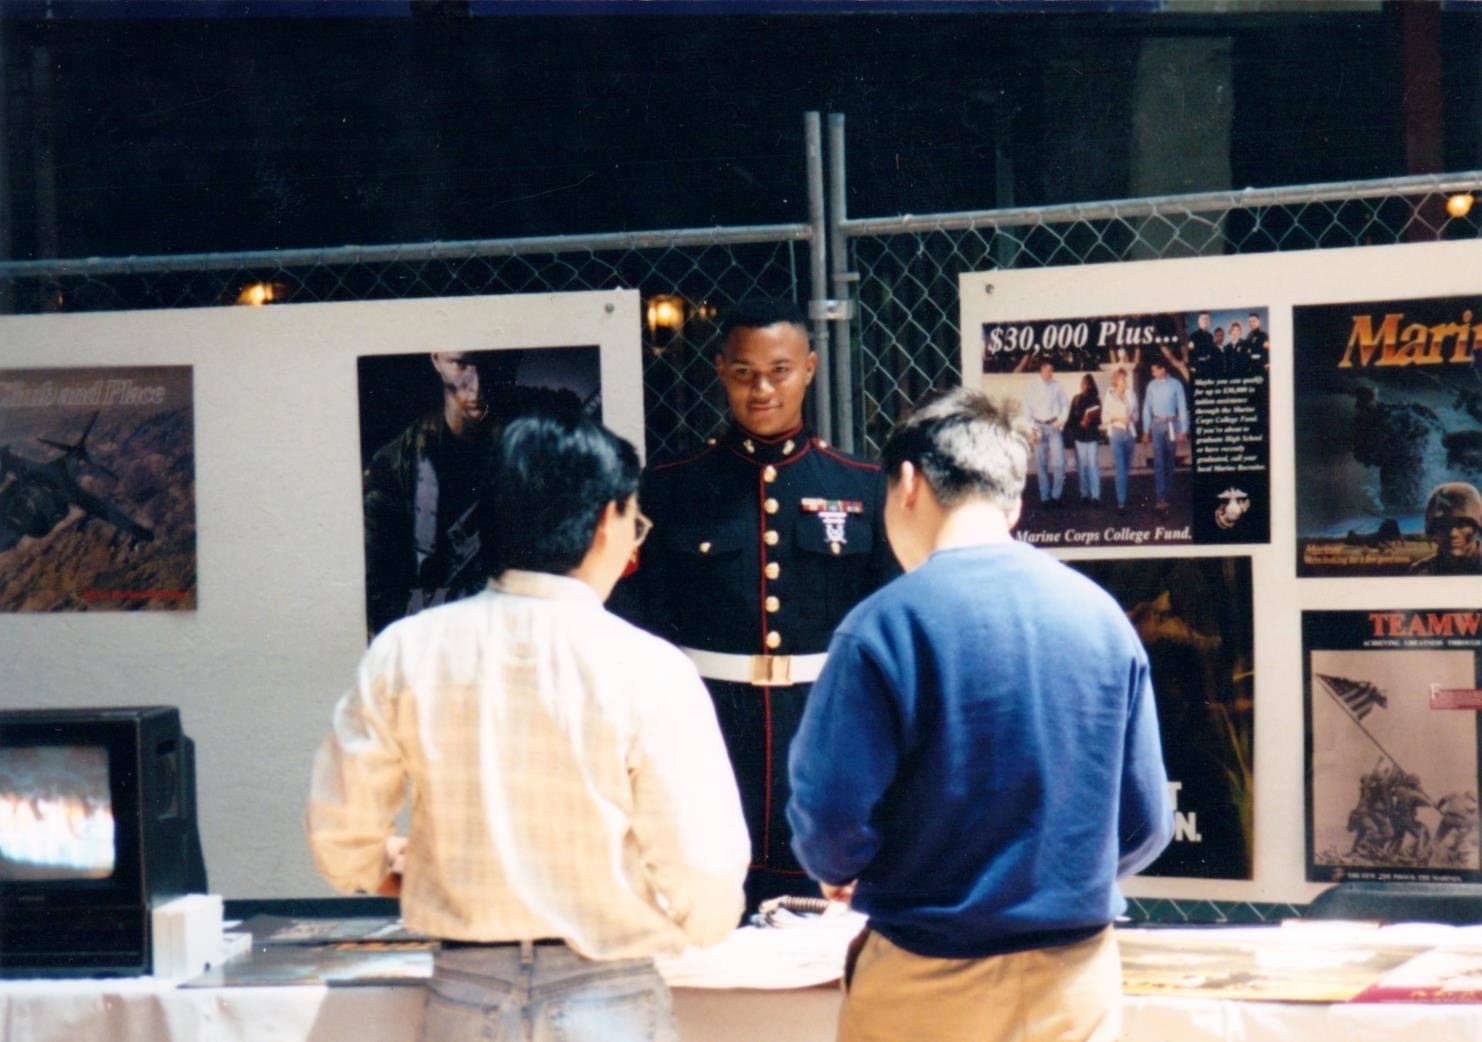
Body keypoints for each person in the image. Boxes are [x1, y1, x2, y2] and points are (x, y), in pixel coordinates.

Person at [309, 407, 750, 1042]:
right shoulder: (649, 667)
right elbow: (704, 866)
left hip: (465, 991)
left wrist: (402, 870)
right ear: (606, 524)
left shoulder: (407, 651)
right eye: (635, 521)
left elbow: (339, 837)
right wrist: (695, 927)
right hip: (610, 993)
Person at [787, 388, 1172, 1042]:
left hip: (927, 978)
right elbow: (1144, 823)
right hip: (1077, 980)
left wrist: (844, 869)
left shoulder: (883, 626)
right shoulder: (1103, 617)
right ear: (1014, 500)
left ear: (906, 484)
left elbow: (829, 819)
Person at [618, 297, 897, 911]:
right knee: (707, 893)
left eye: (780, 369)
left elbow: (886, 624)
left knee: (821, 903)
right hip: (709, 727)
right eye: (744, 372)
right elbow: (634, 620)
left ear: (810, 368)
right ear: (720, 371)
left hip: (821, 728)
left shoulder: (862, 487)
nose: (762, 387)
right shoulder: (670, 488)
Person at [361, 351, 581, 637]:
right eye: (460, 363)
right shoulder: (394, 467)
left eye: (485, 364)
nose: (475, 383)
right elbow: (380, 602)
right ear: (437, 360)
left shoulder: (531, 435)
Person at [1141, 359, 1188, 512]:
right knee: (1159, 462)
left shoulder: (1176, 384)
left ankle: (1167, 493)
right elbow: (1147, 409)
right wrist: (1146, 430)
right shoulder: (1151, 386)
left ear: (1163, 369)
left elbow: (1182, 406)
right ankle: (1161, 498)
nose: (1153, 373)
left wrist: (1183, 429)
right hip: (1157, 425)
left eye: (1155, 370)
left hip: (1172, 424)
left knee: (1169, 461)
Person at [1022, 360, 1069, 507]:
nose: (1051, 373)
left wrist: (1061, 420)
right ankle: (1045, 497)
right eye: (1049, 370)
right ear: (1042, 369)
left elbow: (1065, 404)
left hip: (1054, 427)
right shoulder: (1032, 386)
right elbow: (1027, 409)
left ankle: (1056, 496)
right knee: (1041, 464)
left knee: (1059, 463)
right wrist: (1031, 429)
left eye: (1052, 371)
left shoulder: (1057, 386)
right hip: (1038, 427)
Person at [1409, 481, 1482, 575]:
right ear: (1433, 529)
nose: (1453, 534)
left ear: (1476, 528)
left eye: (1461, 525)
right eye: (1444, 526)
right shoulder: (1421, 573)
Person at [1102, 367, 1138, 511]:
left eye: (1125, 378)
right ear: (1116, 381)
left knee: (1126, 467)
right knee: (1120, 468)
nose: (1125, 381)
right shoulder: (1109, 395)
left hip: (1129, 434)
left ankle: (1122, 494)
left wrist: (1131, 418)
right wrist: (1119, 418)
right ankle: (1121, 502)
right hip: (1116, 433)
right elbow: (1104, 417)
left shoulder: (1131, 394)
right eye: (1122, 378)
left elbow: (1136, 413)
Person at [1066, 373, 1103, 505]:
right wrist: (1079, 423)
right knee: (1082, 466)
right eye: (1081, 383)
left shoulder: (1096, 400)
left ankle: (1095, 495)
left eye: (1084, 383)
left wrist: (1088, 420)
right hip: (1080, 437)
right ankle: (1084, 494)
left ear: (1090, 384)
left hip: (1092, 436)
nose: (1082, 385)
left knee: (1092, 465)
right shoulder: (1076, 399)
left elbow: (1098, 420)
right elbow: (1070, 420)